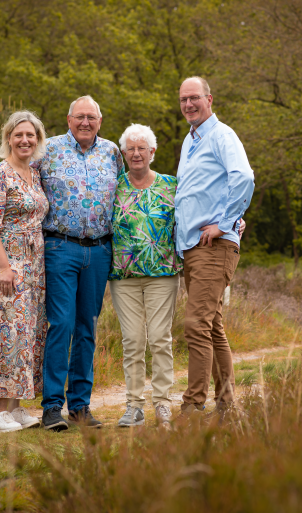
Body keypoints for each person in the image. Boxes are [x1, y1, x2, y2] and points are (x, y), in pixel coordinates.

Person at [35, 96, 125, 431]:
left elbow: (126, 194)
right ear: (68, 119)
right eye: (80, 117)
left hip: (100, 251)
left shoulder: (112, 152)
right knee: (62, 324)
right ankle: (51, 408)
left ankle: (80, 407)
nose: (85, 122)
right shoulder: (48, 150)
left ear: (100, 121)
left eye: (92, 117)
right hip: (61, 247)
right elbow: (26, 186)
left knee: (88, 327)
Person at [174, 76, 255, 421]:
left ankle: (193, 404)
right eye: (183, 100)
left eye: (194, 98)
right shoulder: (189, 140)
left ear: (209, 99)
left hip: (215, 244)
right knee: (212, 326)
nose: (189, 104)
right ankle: (226, 405)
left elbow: (244, 177)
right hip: (193, 247)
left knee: (195, 323)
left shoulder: (223, 135)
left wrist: (226, 221)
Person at [0, 110, 50, 433]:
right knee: (6, 334)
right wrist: (5, 267)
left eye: (30, 135)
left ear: (38, 140)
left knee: (29, 335)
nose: (25, 140)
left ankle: (18, 407)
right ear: (8, 137)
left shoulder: (33, 174)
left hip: (35, 268)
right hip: (9, 266)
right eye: (19, 135)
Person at [109, 124, 180, 428]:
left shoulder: (171, 186)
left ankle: (163, 402)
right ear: (123, 153)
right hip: (123, 277)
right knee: (133, 341)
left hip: (162, 273)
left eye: (142, 148)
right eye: (130, 148)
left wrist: (235, 221)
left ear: (152, 152)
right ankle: (134, 406)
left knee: (160, 339)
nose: (136, 154)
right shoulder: (113, 187)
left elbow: (200, 213)